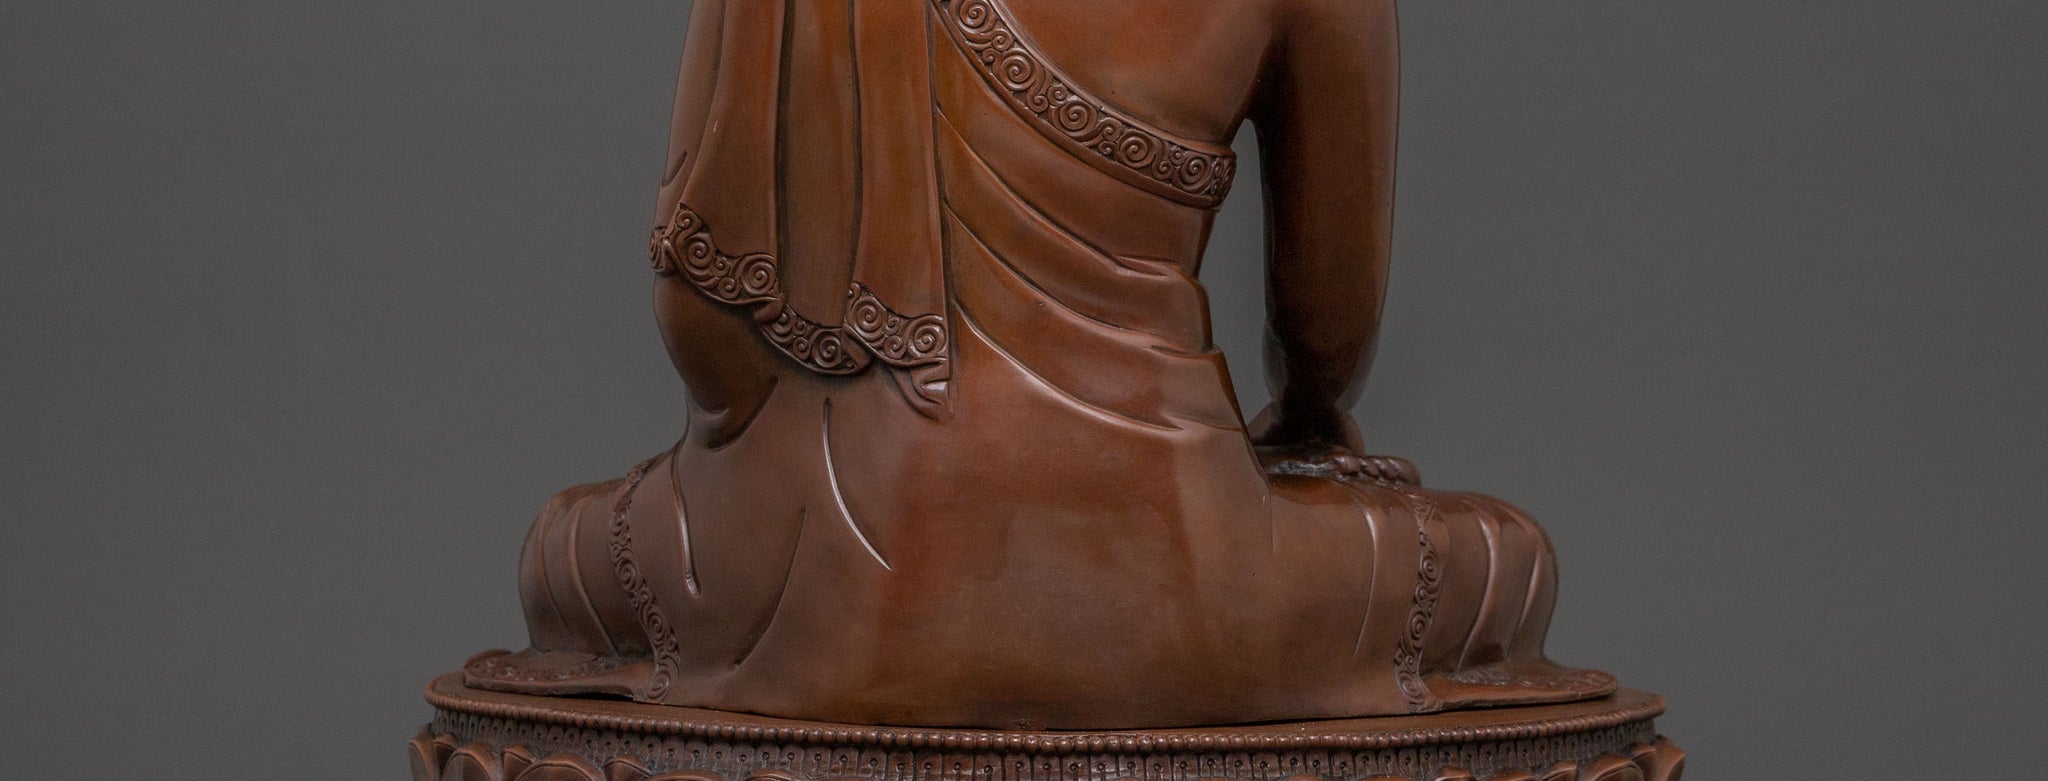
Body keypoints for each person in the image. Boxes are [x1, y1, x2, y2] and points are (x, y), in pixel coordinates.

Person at [470, 0, 1613, 729]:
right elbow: (1328, 332)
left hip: (811, 588)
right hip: (1194, 585)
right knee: (1502, 561)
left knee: (562, 558)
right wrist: (1308, 430)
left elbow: (706, 334)